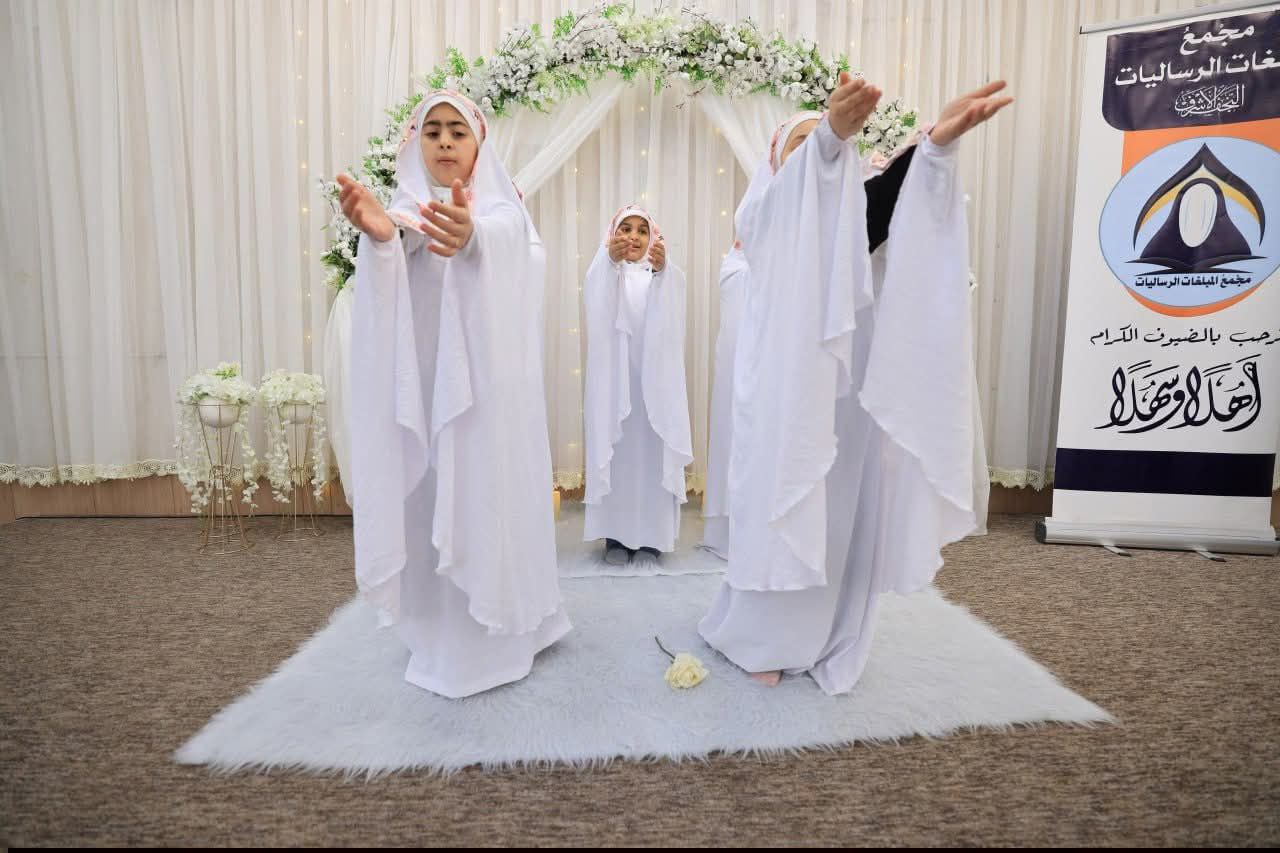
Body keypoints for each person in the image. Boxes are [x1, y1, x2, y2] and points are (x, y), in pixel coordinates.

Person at [699, 76, 1010, 693]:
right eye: (801, 144)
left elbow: (887, 213)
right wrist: (829, 139)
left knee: (840, 515)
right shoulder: (762, 213)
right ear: (775, 160)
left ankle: (829, 631)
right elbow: (806, 197)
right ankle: (762, 637)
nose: (821, 152)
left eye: (826, 142)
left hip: (849, 401)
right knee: (786, 508)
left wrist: (933, 149)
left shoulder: (854, 209)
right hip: (789, 401)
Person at [337, 89, 569, 698]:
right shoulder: (403, 211)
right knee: (431, 497)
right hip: (425, 397)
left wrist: (475, 240)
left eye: (457, 131)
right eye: (433, 130)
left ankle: (500, 630)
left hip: (487, 398)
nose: (444, 141)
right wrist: (381, 242)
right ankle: (439, 632)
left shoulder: (504, 213)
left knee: (486, 495)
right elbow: (399, 248)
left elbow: (510, 251)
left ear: (478, 144)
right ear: (417, 141)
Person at [582, 205, 693, 566]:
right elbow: (595, 304)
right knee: (618, 458)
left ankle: (651, 538)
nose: (633, 236)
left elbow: (673, 316)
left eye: (642, 231)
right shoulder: (604, 272)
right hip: (616, 389)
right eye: (625, 228)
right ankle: (615, 536)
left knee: (650, 458)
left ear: (653, 239)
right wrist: (608, 263)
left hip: (652, 391)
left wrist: (662, 271)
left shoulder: (664, 275)